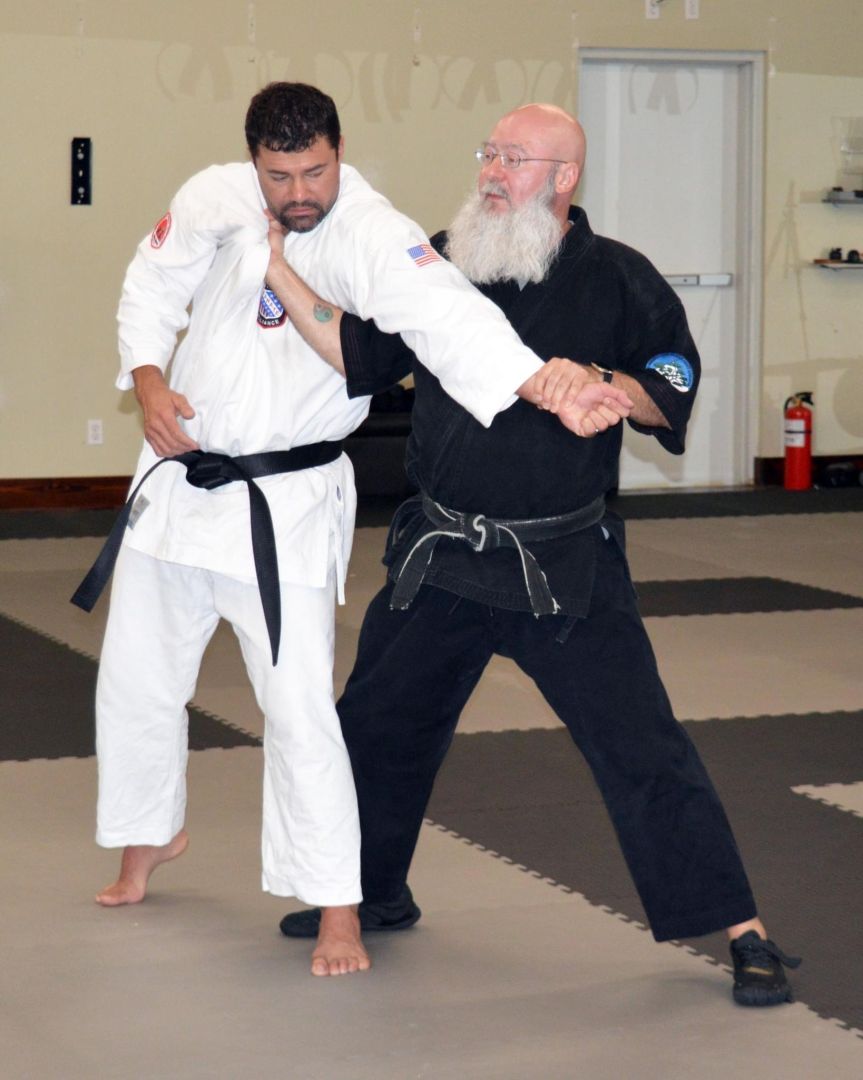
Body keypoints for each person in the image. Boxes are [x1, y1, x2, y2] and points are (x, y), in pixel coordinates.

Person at [74, 85, 631, 979]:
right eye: (279, 176)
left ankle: (339, 903)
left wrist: (541, 386)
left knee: (298, 709)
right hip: (177, 484)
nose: (299, 192)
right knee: (136, 681)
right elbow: (153, 279)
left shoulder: (372, 232)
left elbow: (448, 316)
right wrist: (146, 379)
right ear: (252, 162)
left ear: (339, 152)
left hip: (283, 504)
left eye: (315, 171)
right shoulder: (215, 195)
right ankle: (145, 839)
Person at [274, 103, 802, 1005]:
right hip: (442, 553)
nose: (490, 171)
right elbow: (357, 353)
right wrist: (274, 267)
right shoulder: (439, 261)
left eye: (512, 159)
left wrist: (597, 378)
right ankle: (367, 892)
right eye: (487, 153)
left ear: (562, 177)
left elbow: (667, 390)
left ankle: (741, 930)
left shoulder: (619, 278)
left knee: (641, 746)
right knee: (374, 729)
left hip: (563, 566)